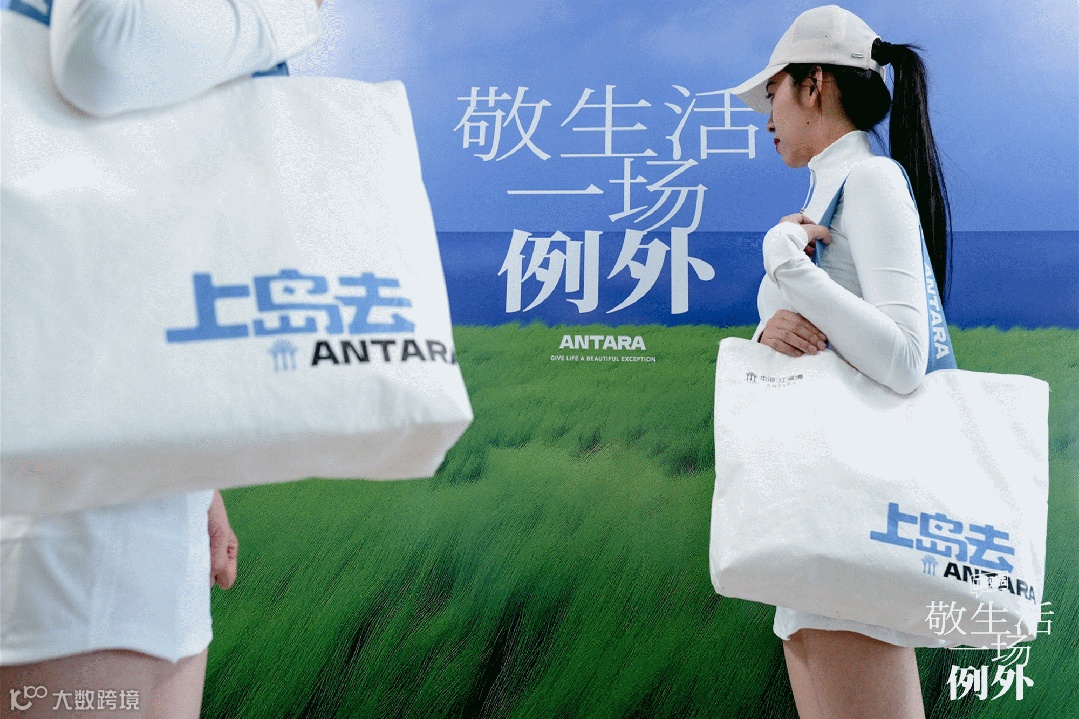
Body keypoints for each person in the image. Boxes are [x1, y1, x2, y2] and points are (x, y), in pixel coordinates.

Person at [1, 1, 321, 716]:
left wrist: (195, 473)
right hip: (71, 479)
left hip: (112, 465)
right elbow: (103, 45)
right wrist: (294, 11)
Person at [725, 5, 952, 718]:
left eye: (772, 93)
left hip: (851, 522)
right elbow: (820, 336)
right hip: (811, 514)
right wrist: (770, 328)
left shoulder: (872, 180)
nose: (766, 117)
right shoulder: (823, 191)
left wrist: (787, 267)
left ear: (814, 83)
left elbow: (906, 358)